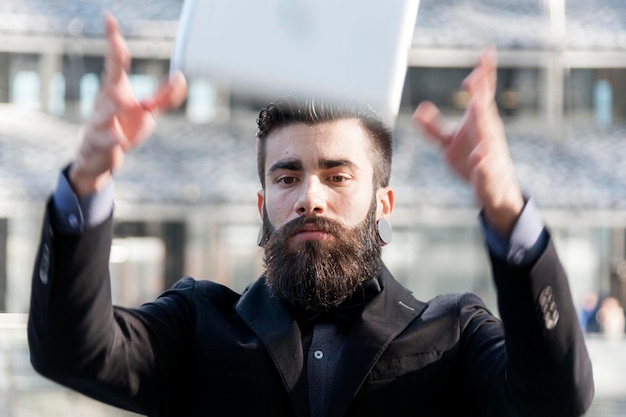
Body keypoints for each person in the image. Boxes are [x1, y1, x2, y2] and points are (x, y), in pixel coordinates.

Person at [28, 12, 594, 417]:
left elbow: (555, 397)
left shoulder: (456, 334)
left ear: (384, 202)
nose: (310, 198)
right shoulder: (195, 326)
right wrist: (87, 179)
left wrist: (505, 208)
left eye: (338, 175)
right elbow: (71, 350)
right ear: (262, 204)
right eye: (287, 176)